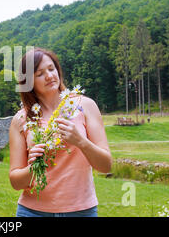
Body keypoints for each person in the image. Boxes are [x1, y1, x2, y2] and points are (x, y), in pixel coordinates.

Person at [9, 47, 112, 217]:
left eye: (51, 68)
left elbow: (106, 166)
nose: (49, 76)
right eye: (40, 73)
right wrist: (34, 165)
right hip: (33, 211)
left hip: (81, 211)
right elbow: (15, 181)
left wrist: (81, 141)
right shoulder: (21, 120)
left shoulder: (84, 106)